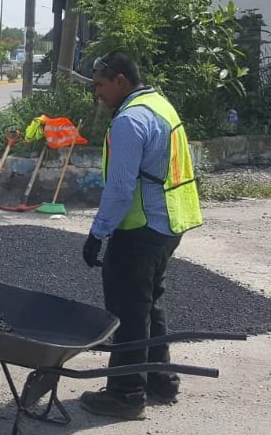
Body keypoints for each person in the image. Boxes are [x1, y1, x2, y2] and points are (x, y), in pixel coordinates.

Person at [79, 51, 203, 419]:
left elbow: (120, 189)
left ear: (120, 80)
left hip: (141, 227)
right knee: (150, 302)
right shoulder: (160, 105)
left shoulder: (130, 120)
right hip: (170, 223)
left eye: (100, 85)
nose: (97, 93)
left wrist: (97, 233)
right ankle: (160, 378)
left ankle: (126, 393)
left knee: (127, 311)